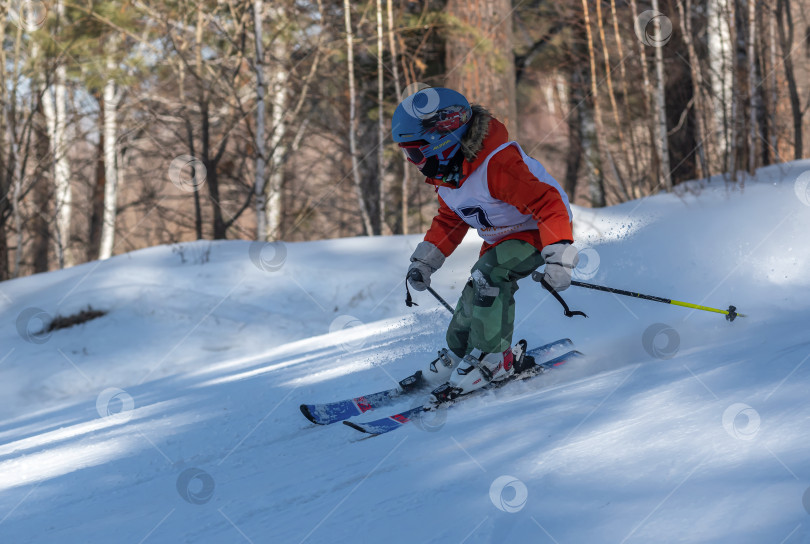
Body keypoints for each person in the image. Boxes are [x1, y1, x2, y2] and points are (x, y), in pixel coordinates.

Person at [391, 87, 578, 403]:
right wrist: (426, 260)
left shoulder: (497, 165)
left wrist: (560, 254)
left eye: (416, 152)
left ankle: (492, 360)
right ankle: (458, 353)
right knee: (475, 293)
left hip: (537, 231)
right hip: (500, 238)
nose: (412, 162)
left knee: (490, 275)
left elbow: (548, 203)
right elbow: (451, 220)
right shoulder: (449, 176)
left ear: (444, 142)